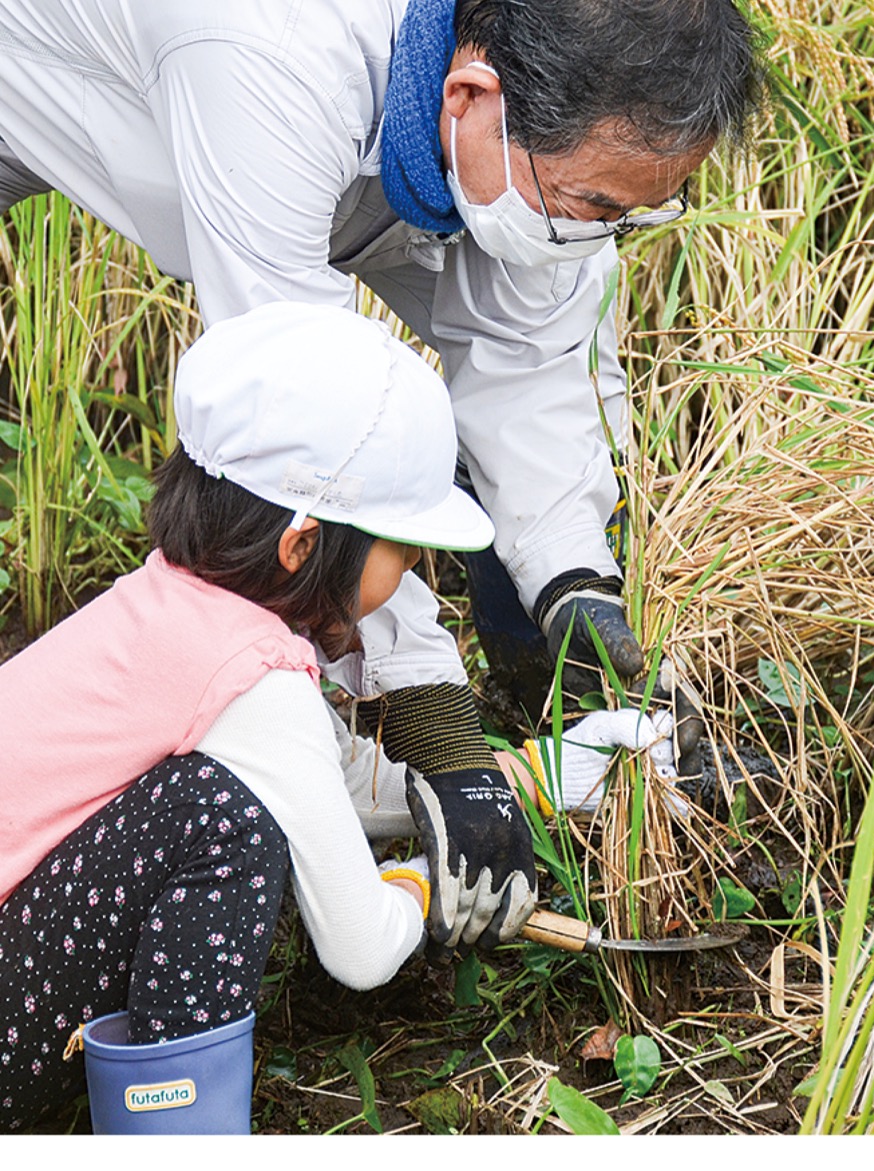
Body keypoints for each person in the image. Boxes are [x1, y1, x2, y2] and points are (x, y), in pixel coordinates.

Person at [0, 0, 763, 944]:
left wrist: (576, 586)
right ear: (470, 95)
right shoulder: (269, 52)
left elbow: (531, 368)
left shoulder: (536, 136)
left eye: (629, 212)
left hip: (339, 152)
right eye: (594, 205)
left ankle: (546, 703)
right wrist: (435, 725)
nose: (597, 232)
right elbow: (312, 455)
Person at [0, 302, 682, 1133]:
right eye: (400, 546)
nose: (416, 564)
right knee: (225, 820)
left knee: (227, 805)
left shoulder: (168, 611)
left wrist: (548, 774)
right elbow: (363, 948)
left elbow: (328, 782)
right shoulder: (258, 683)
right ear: (302, 544)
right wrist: (423, 884)